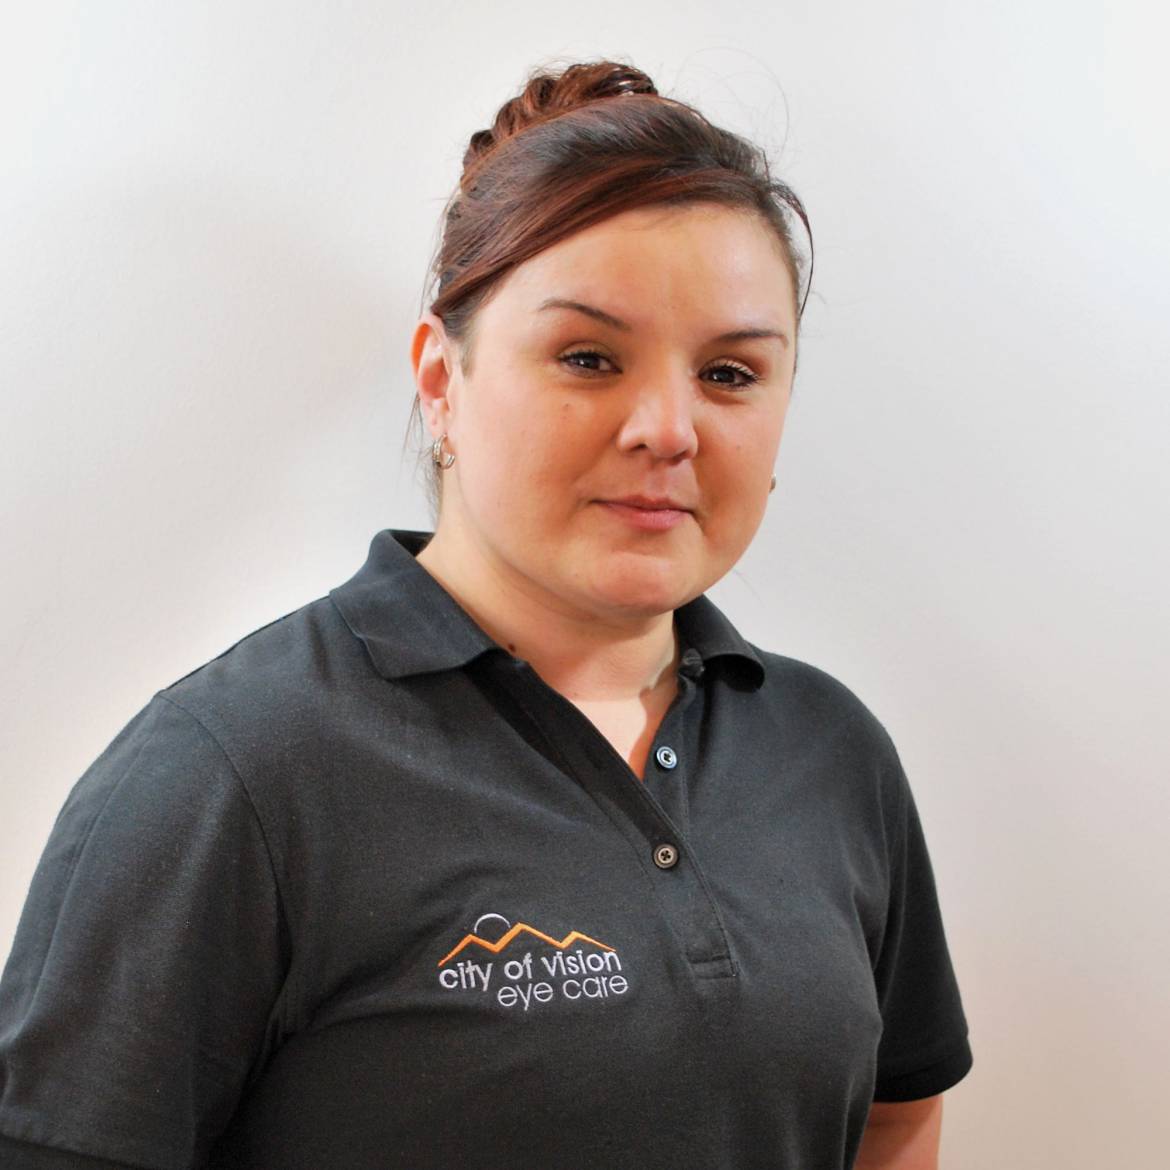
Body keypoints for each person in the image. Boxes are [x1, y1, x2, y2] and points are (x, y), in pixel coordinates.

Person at [0, 60, 972, 1169]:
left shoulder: (831, 753)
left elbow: (897, 1111)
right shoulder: (232, 776)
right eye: (589, 358)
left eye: (731, 374)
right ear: (440, 380)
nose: (669, 429)